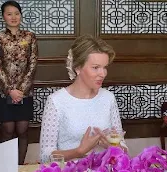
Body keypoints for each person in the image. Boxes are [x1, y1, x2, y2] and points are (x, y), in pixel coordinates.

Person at [39, 35, 126, 163]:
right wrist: (79, 151)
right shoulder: (56, 101)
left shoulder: (108, 98)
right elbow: (44, 156)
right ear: (78, 68)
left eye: (105, 67)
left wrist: (113, 147)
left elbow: (123, 148)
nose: (103, 74)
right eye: (96, 67)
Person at [0, 0, 38, 165]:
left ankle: (20, 167)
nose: (13, 17)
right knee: (8, 130)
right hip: (4, 92)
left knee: (23, 130)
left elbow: (33, 64)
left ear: (21, 15)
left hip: (26, 92)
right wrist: (10, 90)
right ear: (3, 16)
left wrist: (21, 90)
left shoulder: (30, 37)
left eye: (16, 13)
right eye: (9, 14)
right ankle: (6, 167)